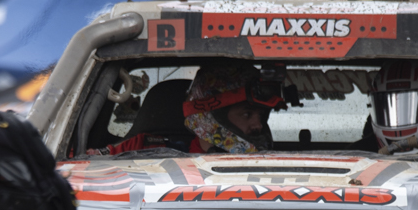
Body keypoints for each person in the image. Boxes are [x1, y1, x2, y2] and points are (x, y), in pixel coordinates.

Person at [101, 60, 285, 156]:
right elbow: (90, 166)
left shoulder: (277, 164)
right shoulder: (143, 148)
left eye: (262, 116)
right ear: (209, 116)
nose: (258, 125)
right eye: (246, 114)